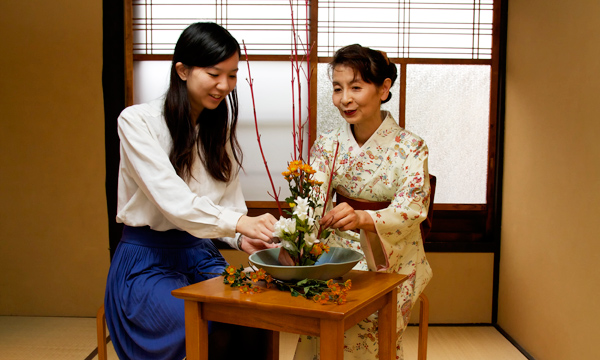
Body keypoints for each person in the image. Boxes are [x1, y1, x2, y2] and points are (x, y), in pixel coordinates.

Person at [104, 22, 278, 360]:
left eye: (232, 75)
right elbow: (173, 201)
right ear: (182, 70)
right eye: (215, 73)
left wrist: (244, 239)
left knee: (255, 316)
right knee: (204, 322)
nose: (224, 85)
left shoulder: (218, 131)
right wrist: (240, 225)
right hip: (146, 261)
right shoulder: (137, 121)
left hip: (199, 256)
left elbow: (229, 206)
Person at [287, 44, 433, 360]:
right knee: (319, 307)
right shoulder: (328, 144)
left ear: (383, 88)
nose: (345, 99)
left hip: (390, 252)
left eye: (356, 87)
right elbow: (313, 202)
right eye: (338, 89)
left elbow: (411, 208)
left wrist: (363, 219)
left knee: (366, 316)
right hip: (338, 247)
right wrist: (294, 237)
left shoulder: (411, 147)